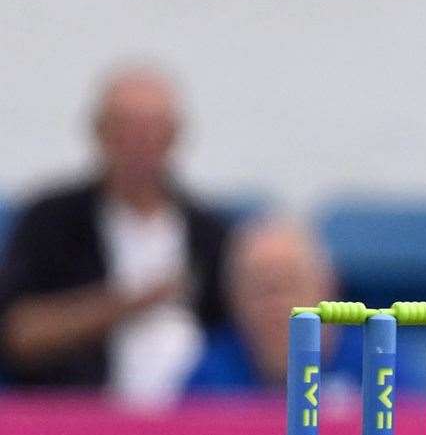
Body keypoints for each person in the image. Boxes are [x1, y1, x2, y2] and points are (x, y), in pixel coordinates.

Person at [0, 65, 229, 405]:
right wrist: (129, 304)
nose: (140, 144)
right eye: (126, 129)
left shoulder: (209, 232)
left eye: (154, 130)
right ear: (98, 133)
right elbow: (20, 333)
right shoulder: (52, 222)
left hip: (196, 422)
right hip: (81, 419)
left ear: (175, 136)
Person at [186, 217, 346, 394]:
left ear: (326, 288)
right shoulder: (207, 383)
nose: (277, 305)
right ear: (234, 299)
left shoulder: (373, 364)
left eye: (290, 287)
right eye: (263, 291)